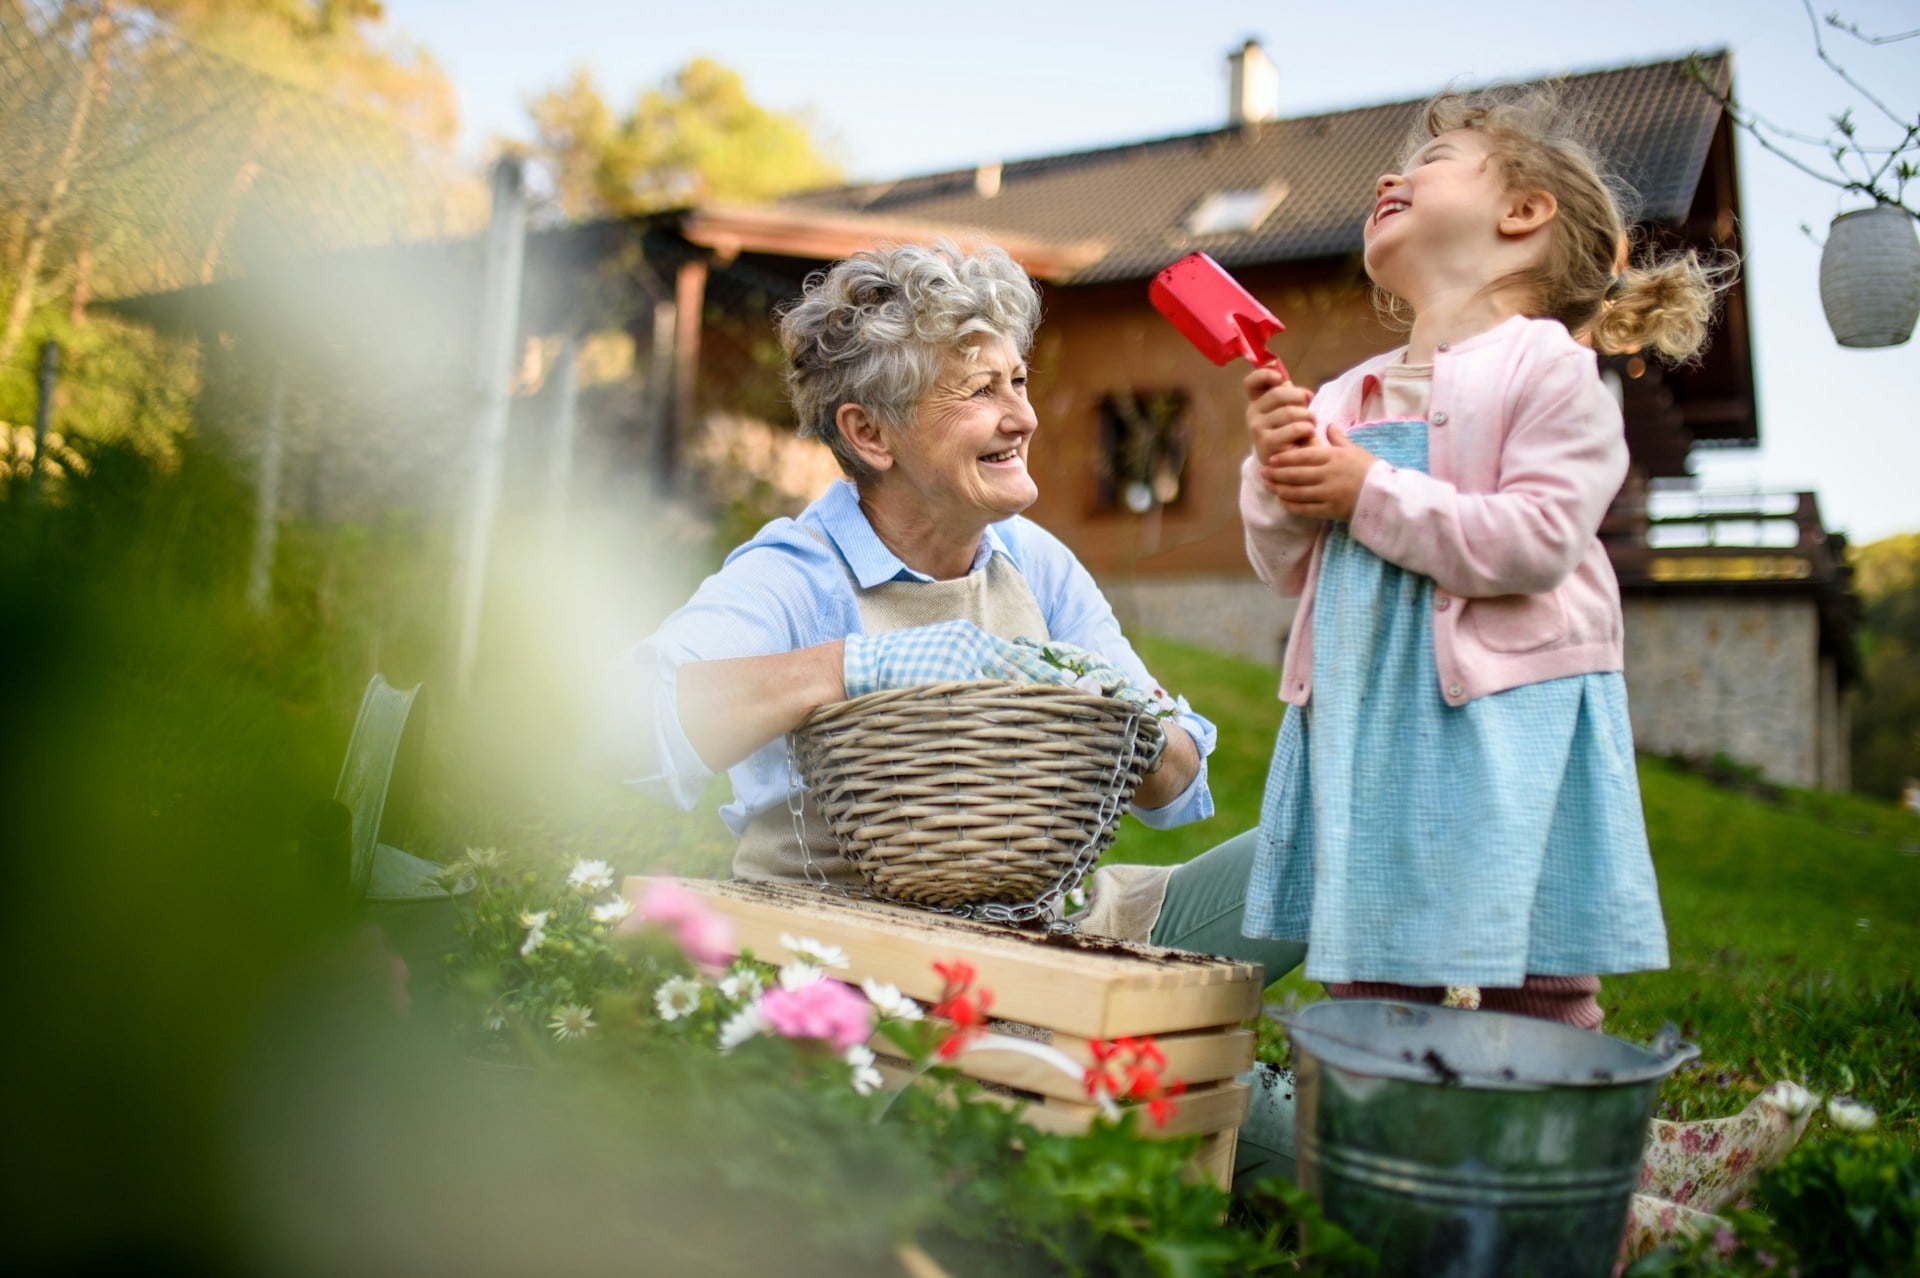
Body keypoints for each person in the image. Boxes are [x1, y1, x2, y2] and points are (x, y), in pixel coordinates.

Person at [600, 237, 1306, 984]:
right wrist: (856, 667)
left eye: (1019, 381)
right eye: (980, 391)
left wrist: (1122, 713)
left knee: (1332, 847)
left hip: (1053, 938)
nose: (1024, 417)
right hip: (859, 963)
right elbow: (624, 728)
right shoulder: (798, 574)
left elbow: (1177, 788)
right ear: (869, 434)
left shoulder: (1034, 561)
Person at [1237, 86, 1732, 1030]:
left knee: (1533, 965)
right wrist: (1277, 474)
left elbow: (1540, 539)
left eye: (1429, 164)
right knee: (1373, 955)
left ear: (1522, 212)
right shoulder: (1346, 394)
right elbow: (1286, 565)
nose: (1393, 176)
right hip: (1368, 704)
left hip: (1514, 712)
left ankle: (1544, 1129)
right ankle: (1382, 1124)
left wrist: (1364, 492)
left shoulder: (1546, 368)